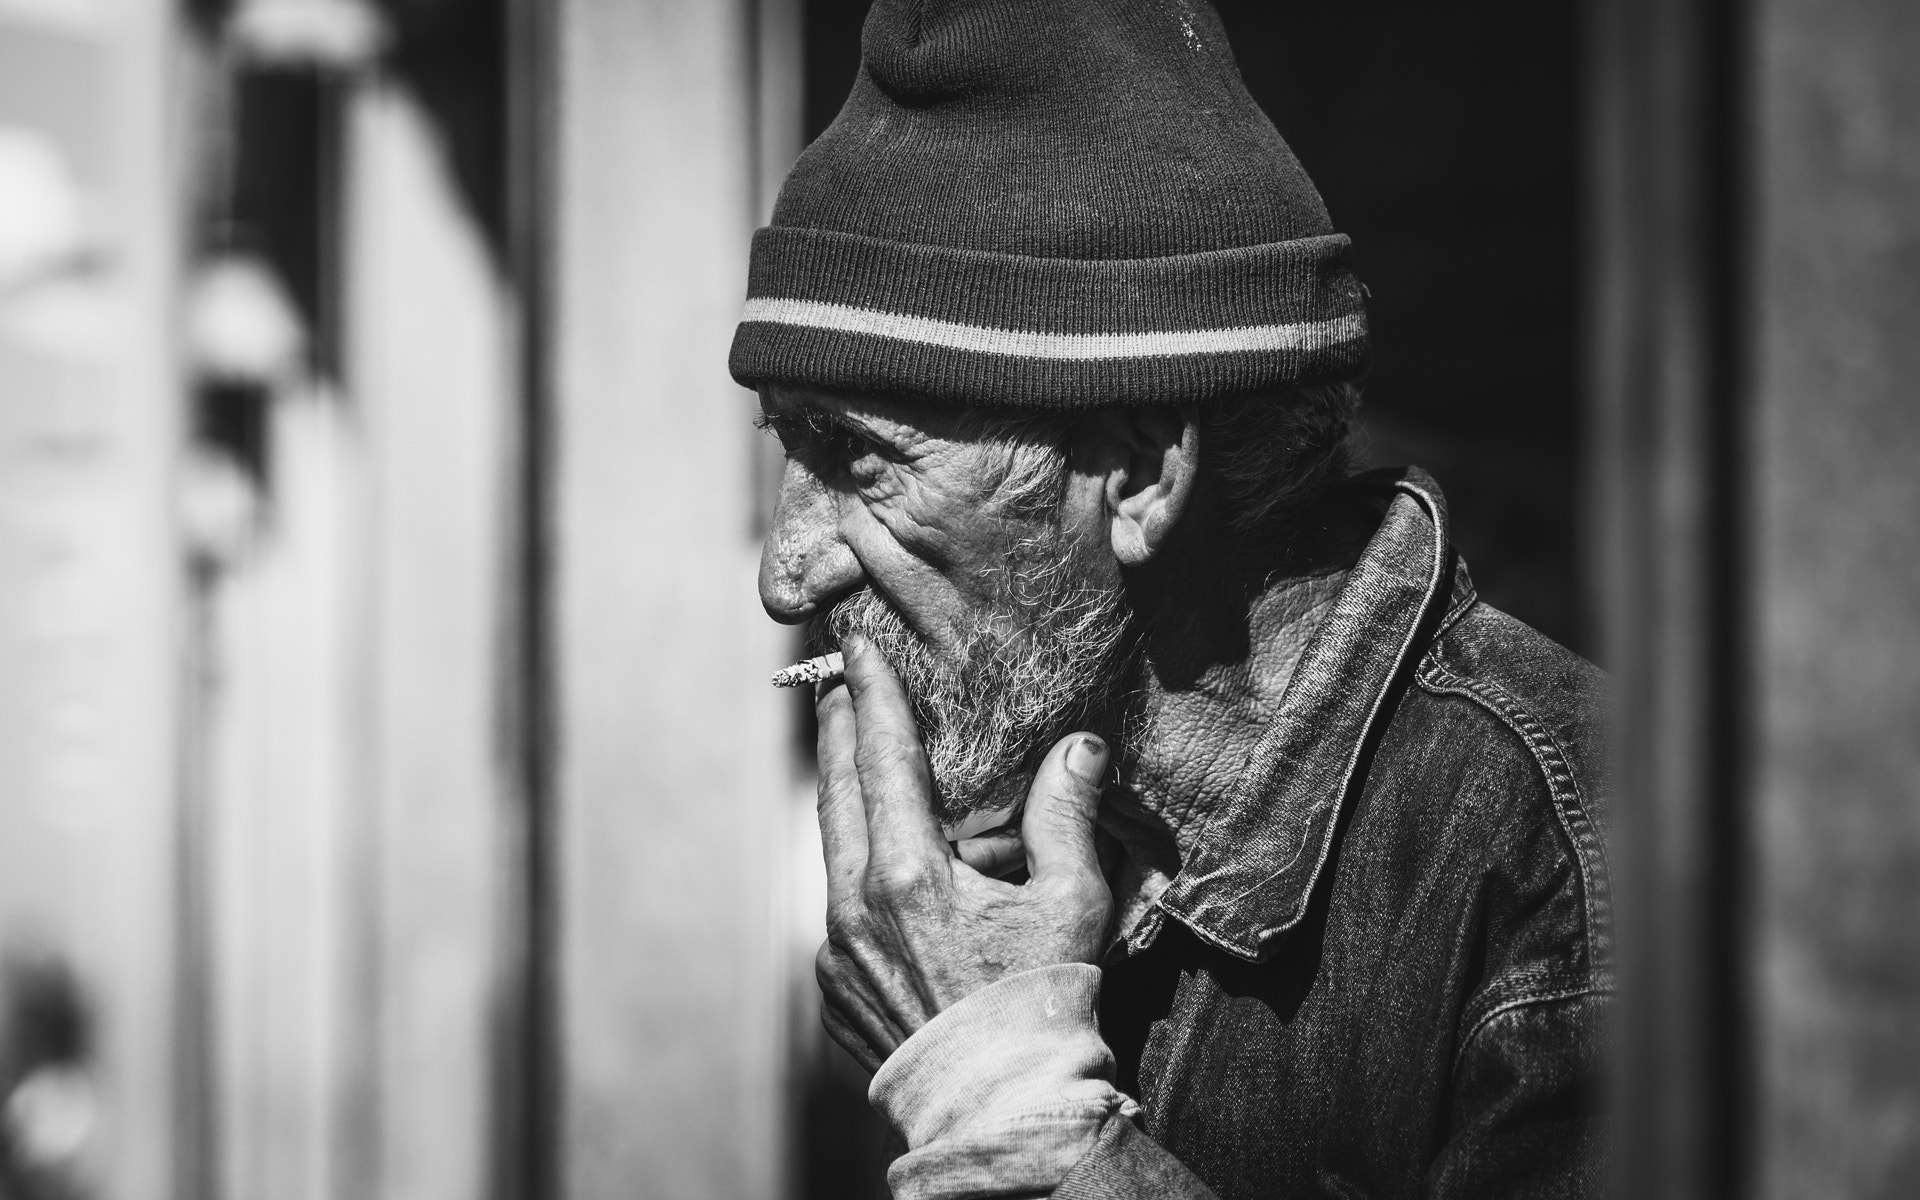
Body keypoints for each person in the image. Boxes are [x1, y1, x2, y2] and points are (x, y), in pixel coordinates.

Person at [730, 2, 1610, 1196]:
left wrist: (1006, 1110)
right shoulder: (984, 886)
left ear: (1140, 471)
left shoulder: (1569, 872)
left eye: (853, 457)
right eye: (786, 445)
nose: (788, 577)